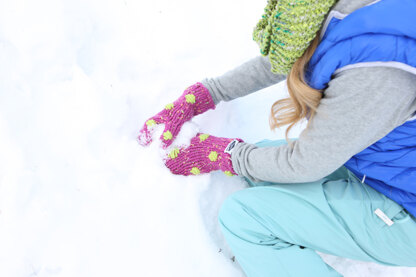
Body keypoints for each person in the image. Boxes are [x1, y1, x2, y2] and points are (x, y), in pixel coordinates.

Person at [138, 0, 416, 276]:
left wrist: (227, 154)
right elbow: (289, 57)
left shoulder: (376, 72)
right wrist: (208, 93)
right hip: (391, 172)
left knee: (246, 218)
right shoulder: (358, 14)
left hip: (407, 211)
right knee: (261, 162)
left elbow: (305, 164)